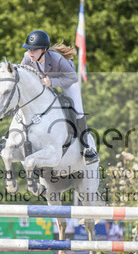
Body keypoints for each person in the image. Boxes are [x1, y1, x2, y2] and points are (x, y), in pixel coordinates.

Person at [20, 29, 98, 165]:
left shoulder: (57, 59)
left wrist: (51, 82)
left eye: (35, 50)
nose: (30, 52)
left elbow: (73, 78)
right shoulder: (27, 57)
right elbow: (22, 74)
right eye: (29, 49)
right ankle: (10, 139)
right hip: (45, 82)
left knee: (78, 110)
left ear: (44, 50)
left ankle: (87, 148)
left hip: (66, 81)